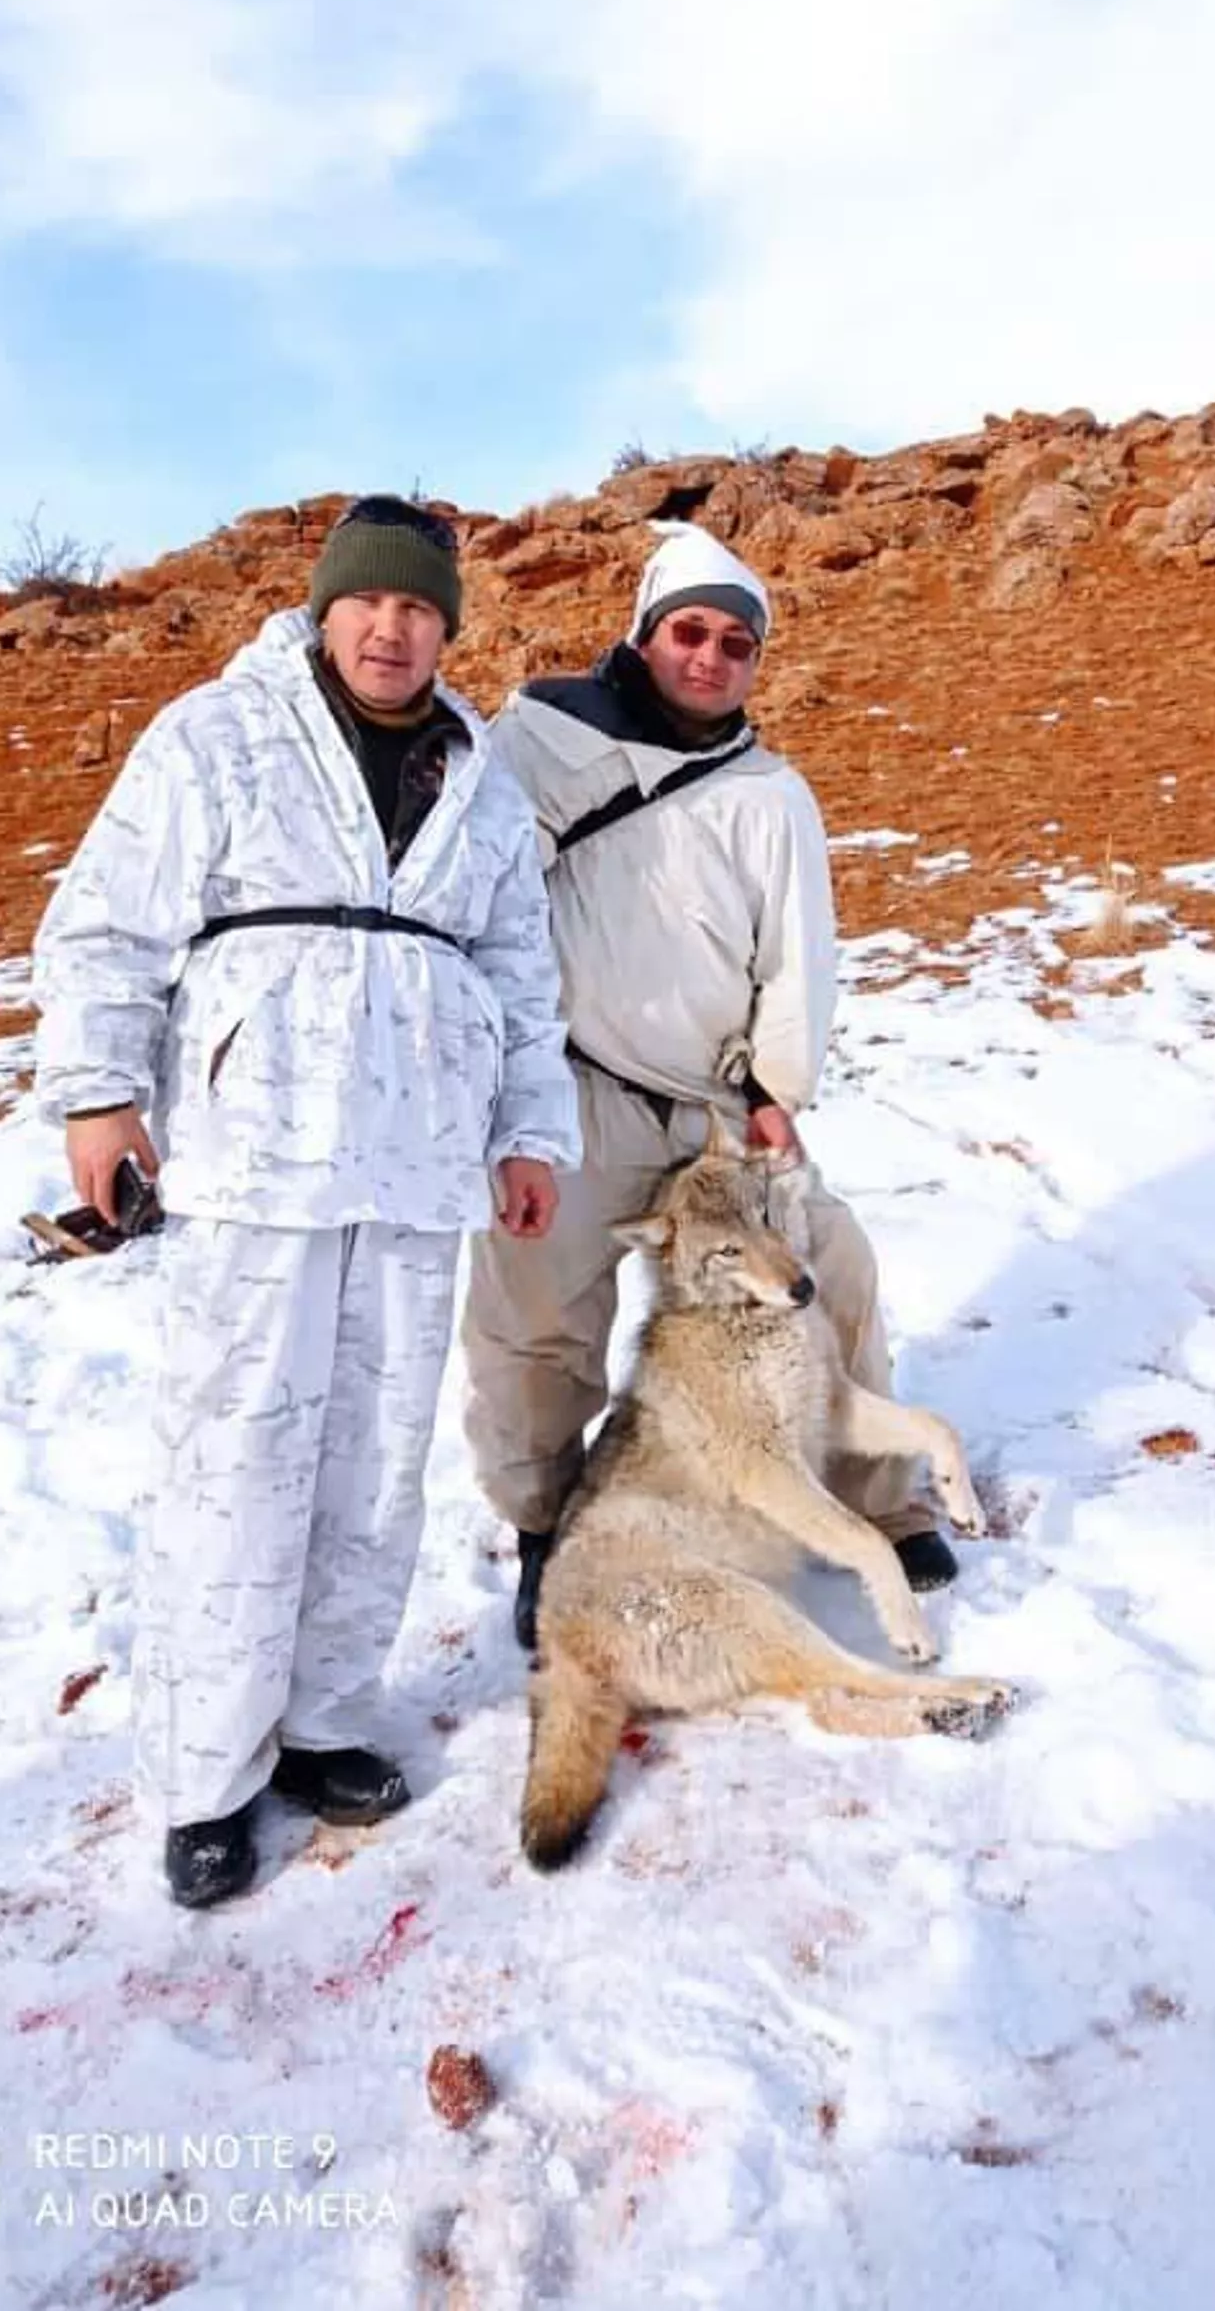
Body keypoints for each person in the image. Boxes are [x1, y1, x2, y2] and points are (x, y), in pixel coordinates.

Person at [32, 495, 579, 1909]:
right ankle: (204, 1774)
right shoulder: (215, 735)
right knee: (238, 1459)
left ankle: (326, 1719)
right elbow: (106, 919)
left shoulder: (482, 776)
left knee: (377, 1456)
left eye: (420, 608)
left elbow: (522, 972)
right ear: (325, 609)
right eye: (370, 603)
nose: (393, 628)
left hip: (416, 1161)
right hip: (259, 1155)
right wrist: (101, 1093)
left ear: (446, 627)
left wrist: (528, 1131)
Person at [462, 519, 956, 1648]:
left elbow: (798, 952)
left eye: (739, 643)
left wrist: (779, 1084)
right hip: (572, 1086)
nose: (712, 658)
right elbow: (475, 892)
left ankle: (882, 1495)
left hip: (719, 1105)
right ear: (643, 633)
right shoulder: (534, 741)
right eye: (691, 631)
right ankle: (547, 1523)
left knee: (831, 1274)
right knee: (534, 1312)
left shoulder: (771, 793)